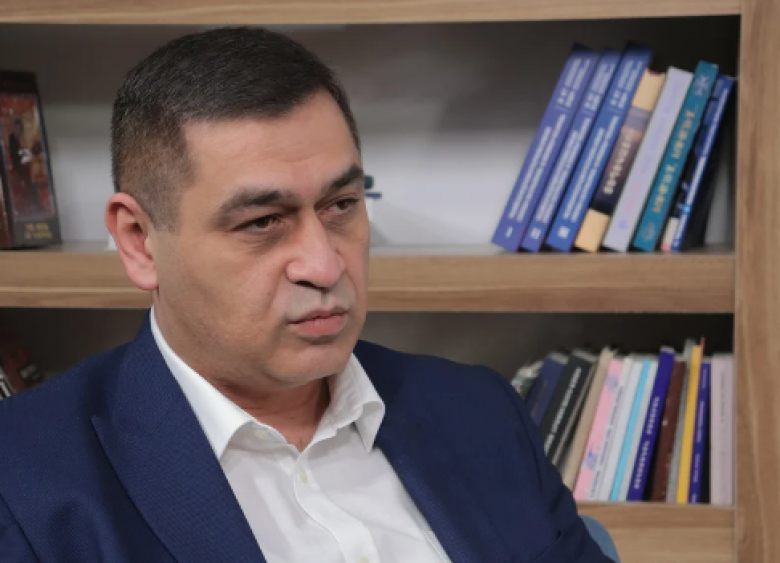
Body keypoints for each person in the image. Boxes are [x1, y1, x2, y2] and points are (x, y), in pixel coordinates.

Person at [0, 27, 614, 562]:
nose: (324, 265)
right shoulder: (22, 481)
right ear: (139, 242)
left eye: (341, 205)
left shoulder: (481, 410)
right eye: (263, 221)